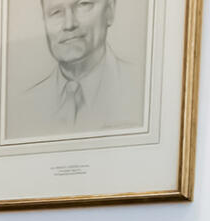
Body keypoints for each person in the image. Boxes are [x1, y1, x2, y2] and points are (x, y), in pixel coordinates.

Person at [9, 0, 145, 138]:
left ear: (109, 10)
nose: (69, 24)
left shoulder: (143, 91)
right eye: (56, 12)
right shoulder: (21, 109)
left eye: (83, 5)